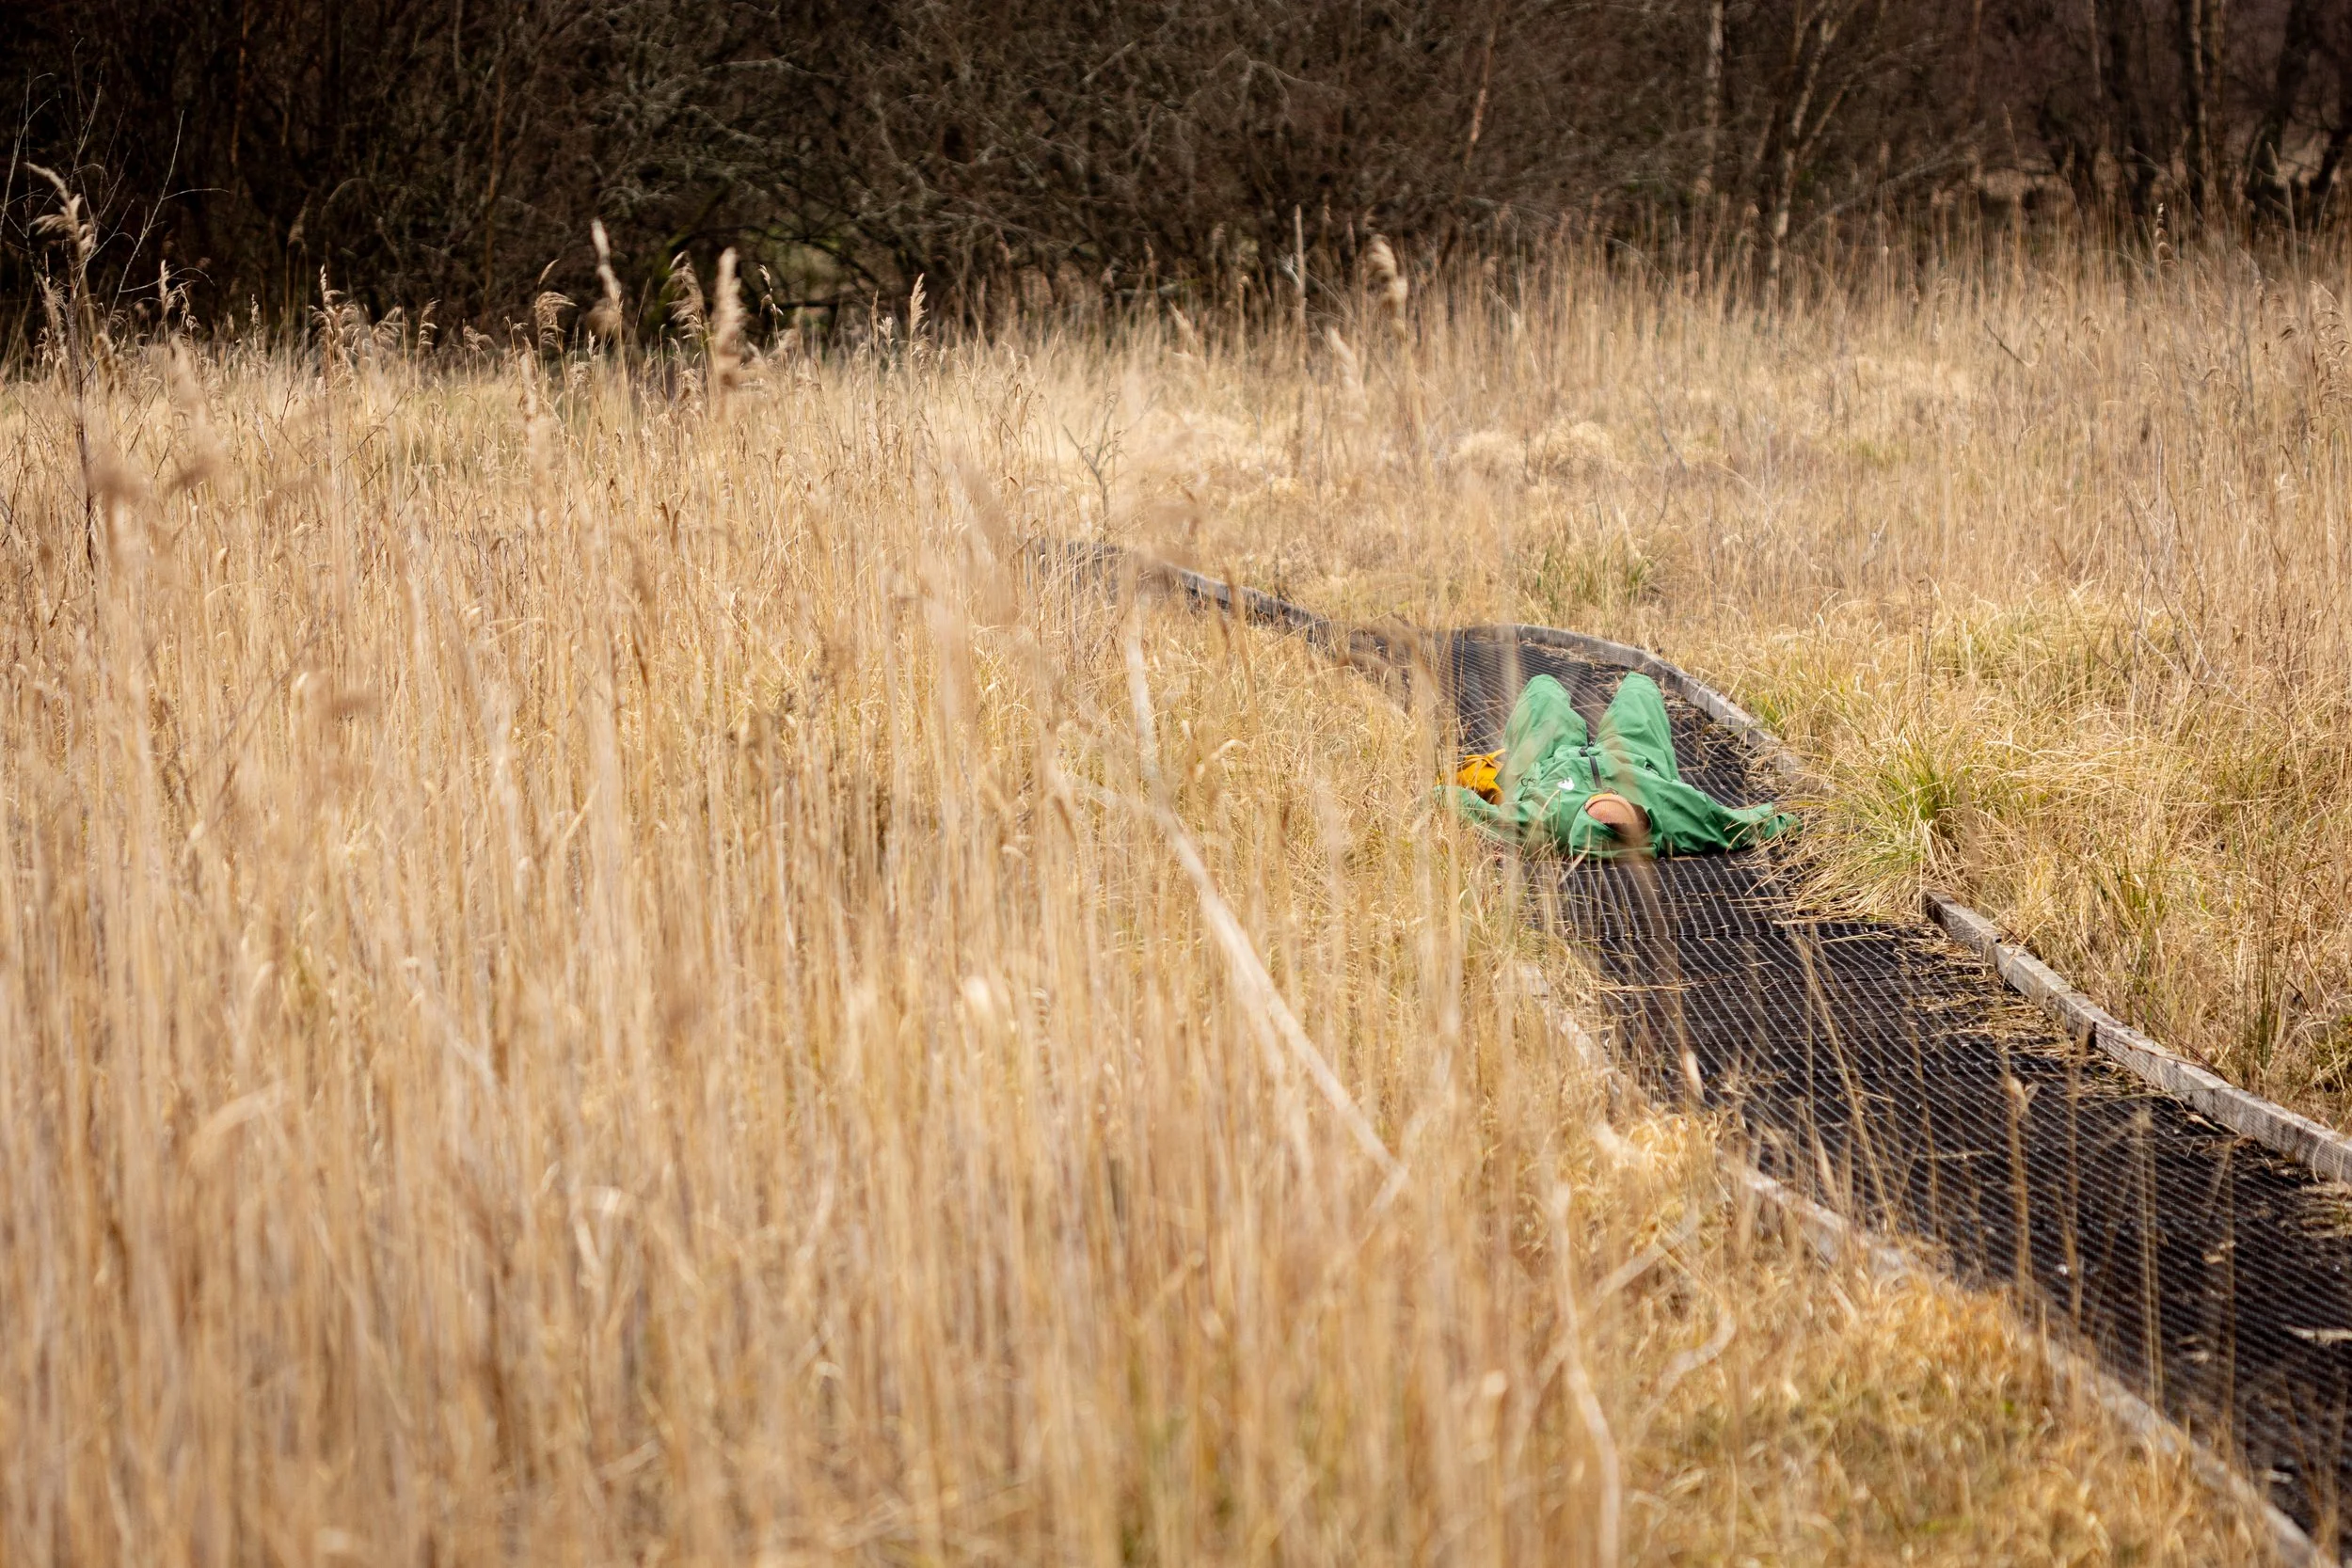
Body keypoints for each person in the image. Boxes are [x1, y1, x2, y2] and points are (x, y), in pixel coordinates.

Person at [1446, 672, 1796, 858]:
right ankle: (1638, 690)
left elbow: (1469, 810)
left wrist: (1437, 795)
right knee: (1640, 687)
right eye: (1620, 802)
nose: (1608, 796)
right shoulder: (1671, 811)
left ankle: (1546, 708)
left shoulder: (1551, 819)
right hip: (1632, 759)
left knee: (1543, 690)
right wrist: (1797, 817)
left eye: (1600, 805)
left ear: (1586, 813)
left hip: (1549, 764)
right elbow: (1740, 826)